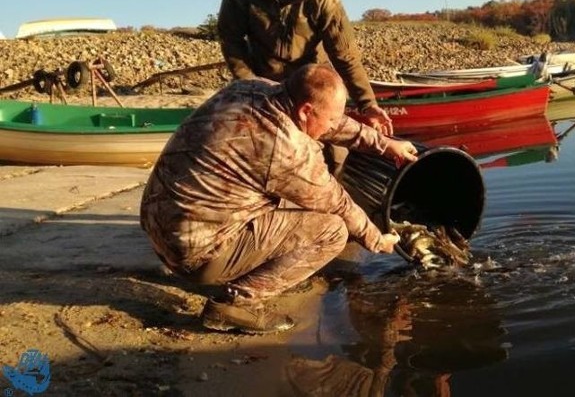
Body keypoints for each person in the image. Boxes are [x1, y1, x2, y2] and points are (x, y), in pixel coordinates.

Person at [139, 64, 418, 334]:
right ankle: (237, 305)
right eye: (331, 118)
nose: (334, 124)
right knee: (332, 231)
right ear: (305, 111)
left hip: (158, 219)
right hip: (195, 253)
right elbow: (338, 203)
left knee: (293, 201)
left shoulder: (252, 89)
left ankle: (234, 269)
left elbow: (329, 120)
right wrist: (376, 239)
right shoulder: (288, 151)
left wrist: (384, 144)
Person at [217, 0, 392, 136]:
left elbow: (346, 57)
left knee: (334, 151)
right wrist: (250, 84)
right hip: (261, 77)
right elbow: (231, 39)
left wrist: (368, 104)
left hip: (311, 79)